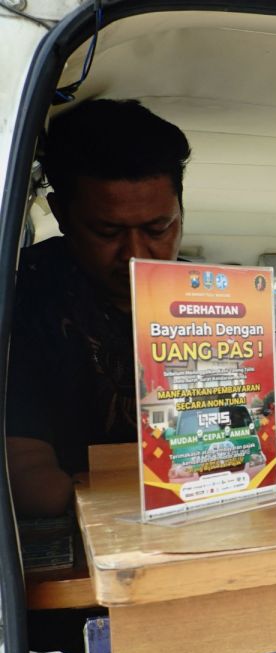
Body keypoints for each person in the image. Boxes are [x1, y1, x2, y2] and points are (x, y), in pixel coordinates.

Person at [6, 99, 190, 518]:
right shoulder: (21, 300)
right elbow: (26, 476)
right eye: (107, 231)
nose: (135, 253)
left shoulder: (213, 302)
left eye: (158, 228)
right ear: (61, 215)